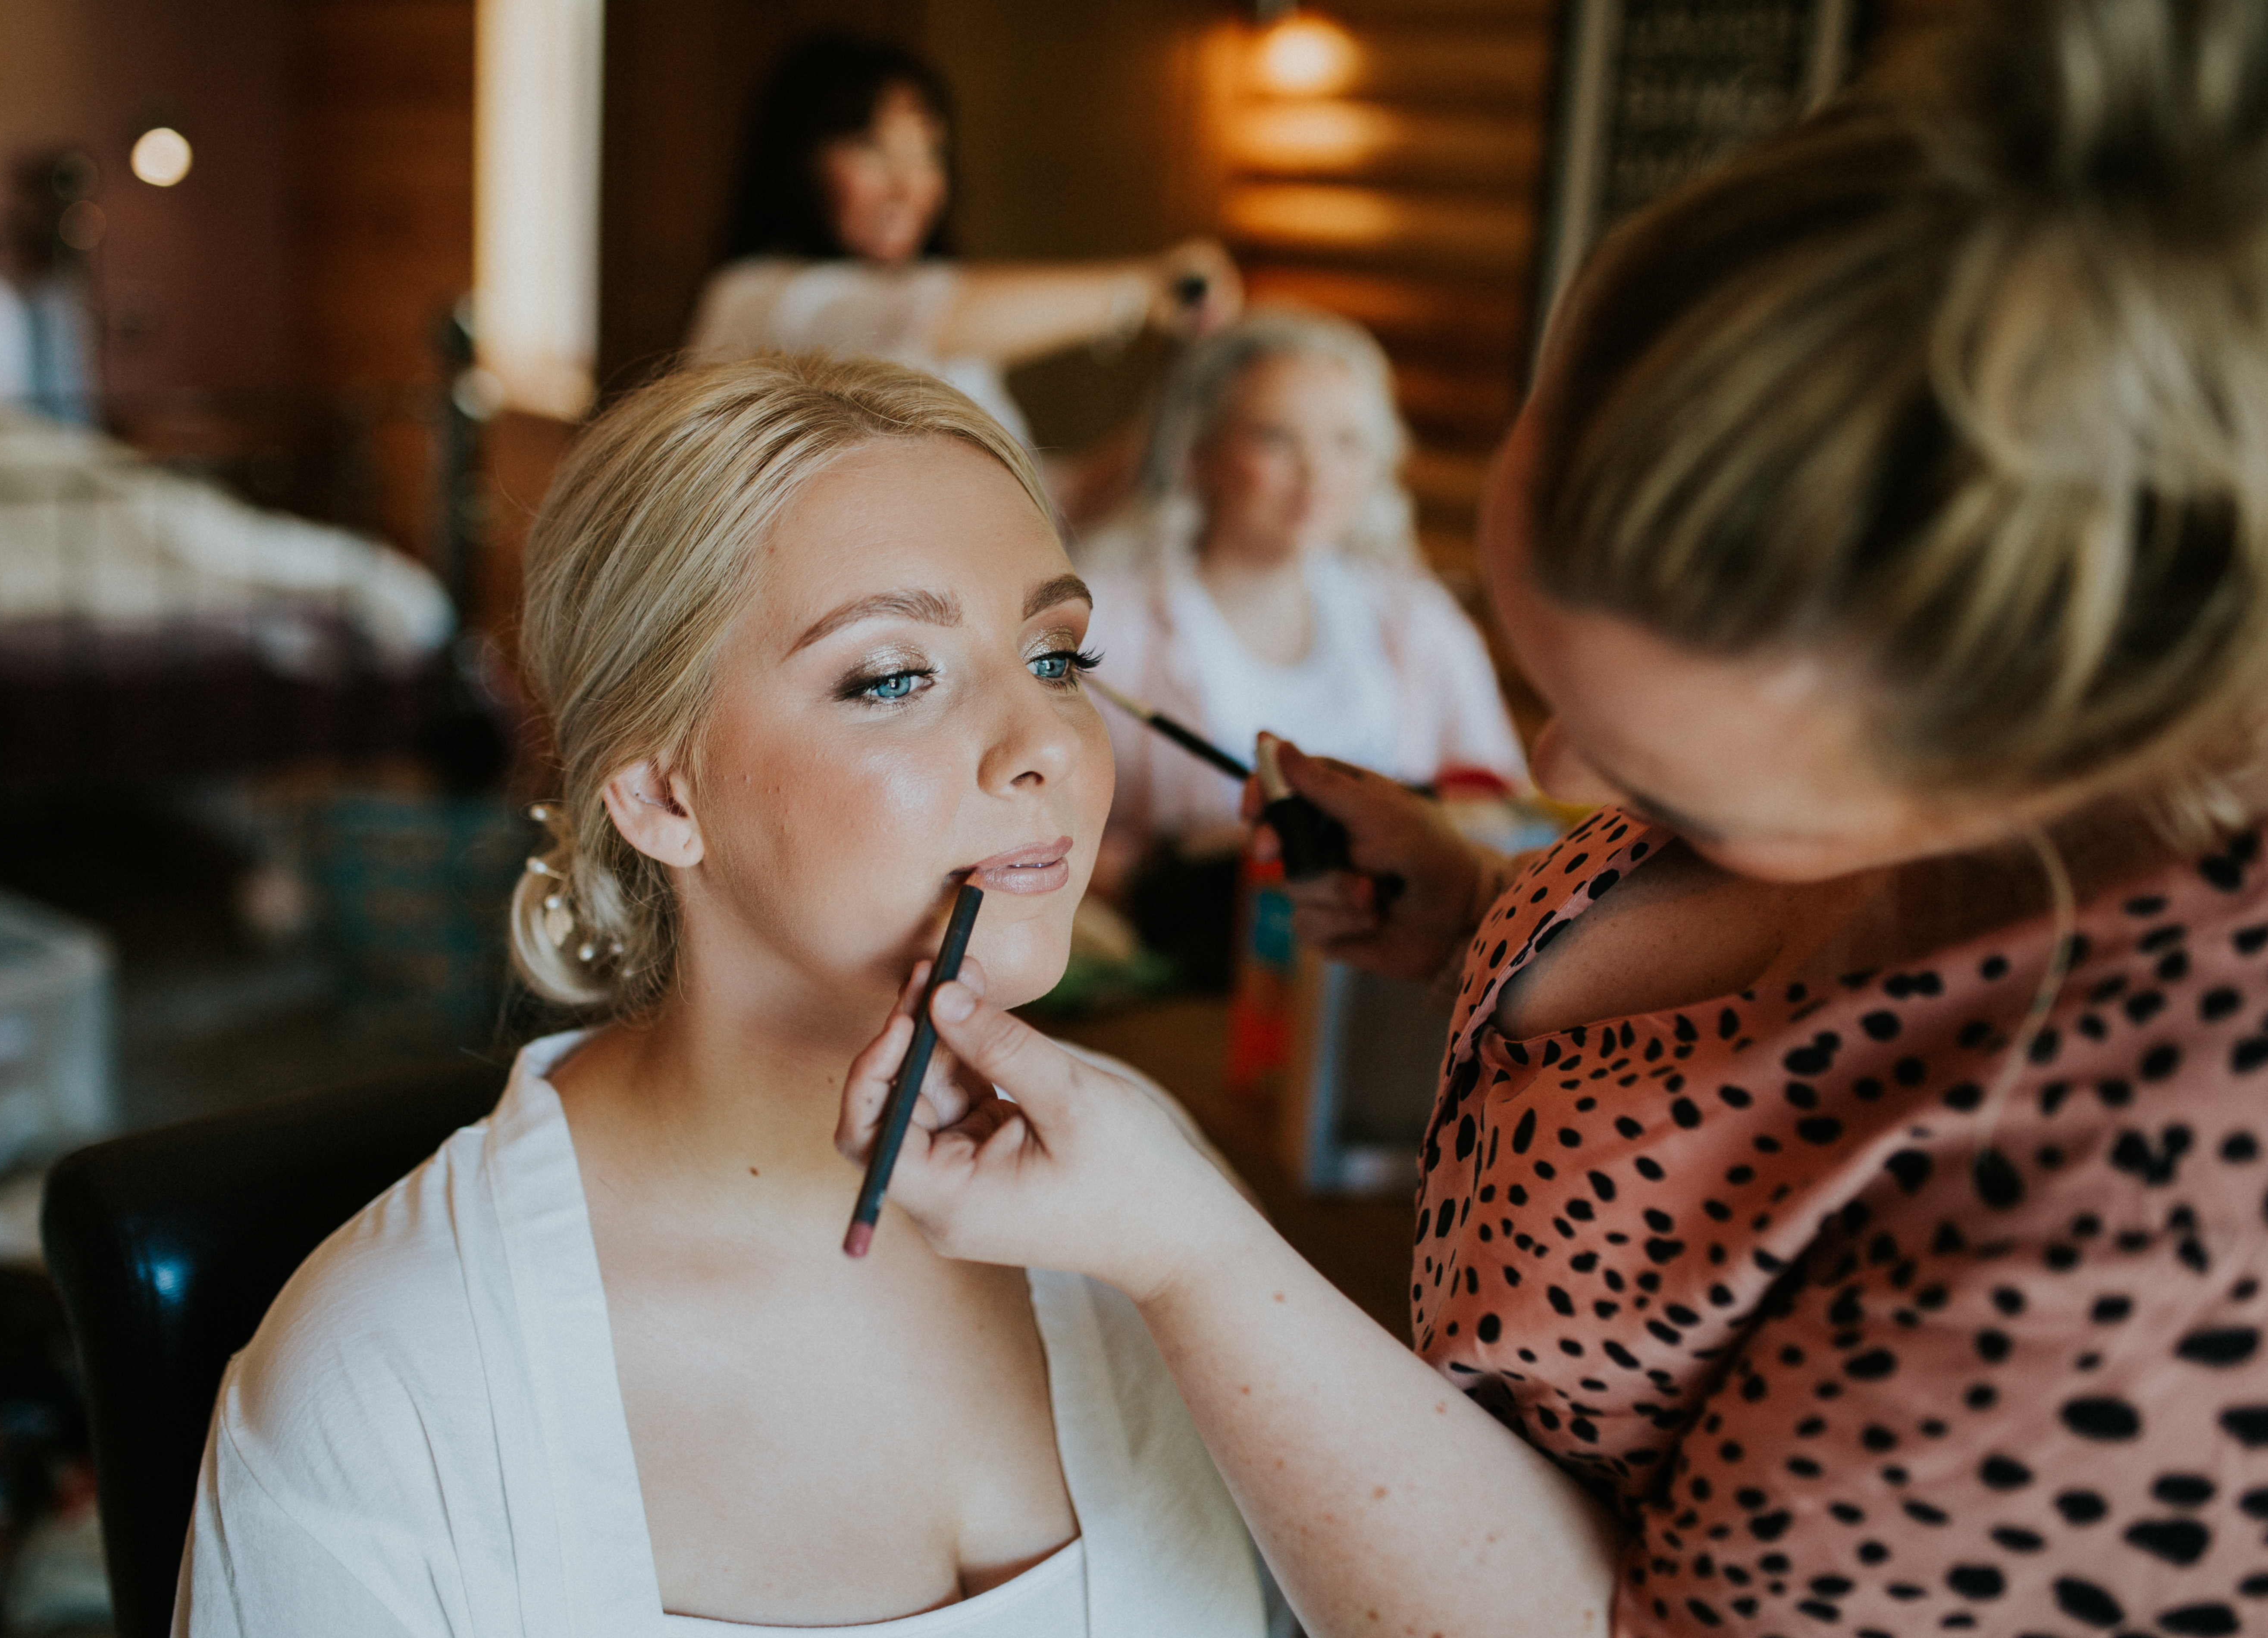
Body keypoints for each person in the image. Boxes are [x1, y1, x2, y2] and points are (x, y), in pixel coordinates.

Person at [834, 3, 2268, 1634]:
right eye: (1536, 665)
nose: (1559, 773)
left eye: (1671, 797)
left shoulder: (2176, 1222)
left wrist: (1191, 1249)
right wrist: (1478, 905)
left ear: (2014, 763)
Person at [174, 355, 1269, 1635]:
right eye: (892, 677)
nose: (1043, 747)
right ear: (660, 795)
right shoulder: (383, 1385)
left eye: (1055, 657)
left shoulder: (1144, 1185)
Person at [685, 32, 1240, 524]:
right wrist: (1148, 289)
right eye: (873, 148)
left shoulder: (960, 343)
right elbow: (928, 315)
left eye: (928, 152)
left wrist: (1166, 444)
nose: (909, 186)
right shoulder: (756, 297)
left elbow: (1041, 502)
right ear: (796, 162)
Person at [1079, 305, 1529, 900]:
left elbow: (1508, 810)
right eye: (1276, 438)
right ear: (1199, 452)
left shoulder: (1417, 619)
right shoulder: (1103, 622)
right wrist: (1170, 881)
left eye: (1347, 442)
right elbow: (1038, 832)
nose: (1316, 472)